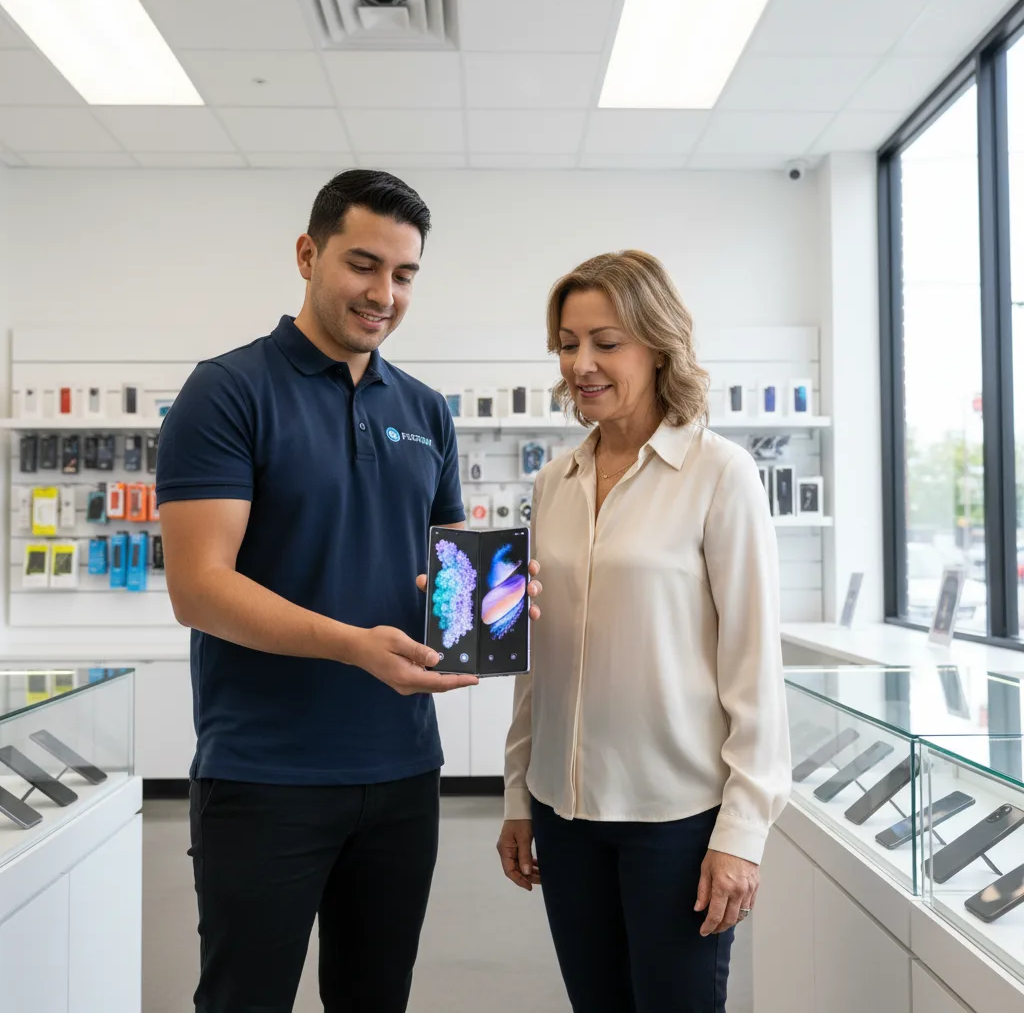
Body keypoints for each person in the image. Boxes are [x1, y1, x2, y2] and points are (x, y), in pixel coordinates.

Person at [156, 169, 542, 1013]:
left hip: (403, 771)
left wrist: (495, 599)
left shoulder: (425, 410)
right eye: (363, 265)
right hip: (264, 773)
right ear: (308, 254)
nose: (383, 294)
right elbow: (199, 587)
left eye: (404, 274)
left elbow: (445, 567)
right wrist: (352, 647)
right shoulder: (227, 390)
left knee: (375, 998)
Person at [497, 250, 790, 1013]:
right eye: (568, 344)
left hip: (676, 820)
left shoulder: (720, 474)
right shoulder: (552, 483)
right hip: (564, 813)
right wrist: (517, 795)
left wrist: (742, 832)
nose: (581, 364)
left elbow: (754, 666)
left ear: (659, 347)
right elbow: (537, 659)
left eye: (606, 342)